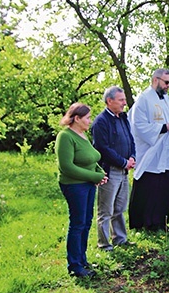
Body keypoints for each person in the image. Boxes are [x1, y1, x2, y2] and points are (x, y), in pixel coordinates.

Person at [55, 103, 108, 278]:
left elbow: (92, 159)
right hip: (74, 185)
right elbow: (67, 167)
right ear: (76, 118)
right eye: (87, 118)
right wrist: (93, 177)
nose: (90, 121)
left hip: (87, 184)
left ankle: (82, 259)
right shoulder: (65, 137)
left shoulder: (83, 135)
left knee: (86, 222)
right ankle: (74, 266)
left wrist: (99, 172)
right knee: (77, 223)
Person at [128, 68, 169, 232]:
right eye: (166, 82)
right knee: (148, 189)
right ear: (155, 80)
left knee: (164, 189)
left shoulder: (166, 99)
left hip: (165, 152)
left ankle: (161, 222)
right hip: (150, 152)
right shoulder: (143, 99)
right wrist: (165, 127)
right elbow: (139, 126)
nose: (168, 86)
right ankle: (141, 224)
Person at [91, 86, 136, 251]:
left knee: (120, 207)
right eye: (121, 100)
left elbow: (131, 140)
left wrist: (132, 157)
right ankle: (104, 244)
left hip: (124, 170)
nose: (125, 103)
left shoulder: (123, 118)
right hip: (109, 171)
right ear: (109, 101)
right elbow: (103, 148)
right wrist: (124, 162)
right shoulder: (101, 122)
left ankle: (120, 239)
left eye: (124, 99)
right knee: (106, 209)